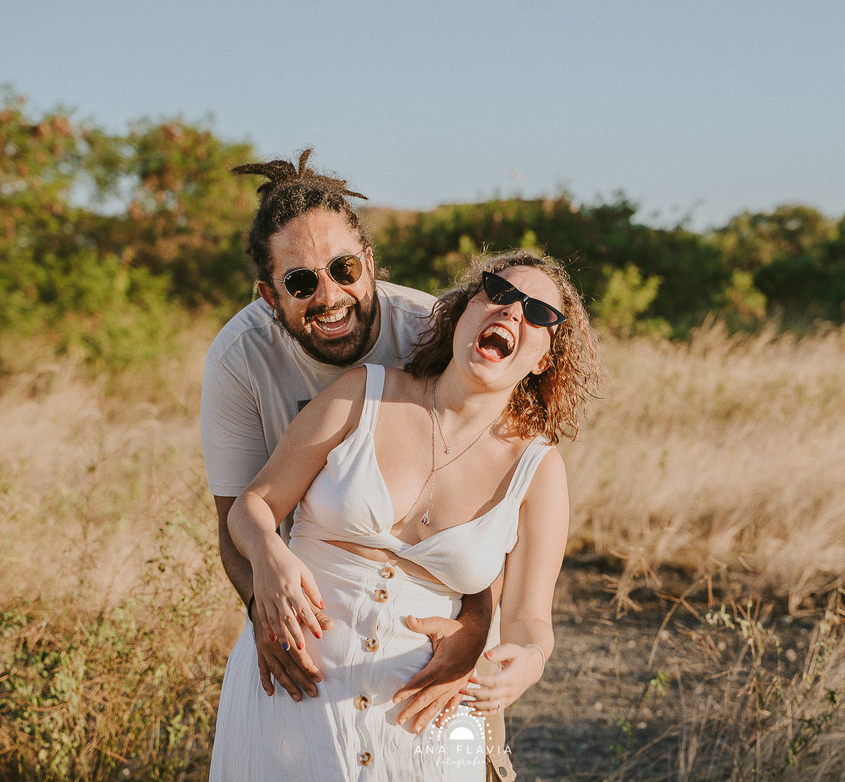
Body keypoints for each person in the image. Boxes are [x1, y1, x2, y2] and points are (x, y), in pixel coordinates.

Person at [210, 250, 602, 779]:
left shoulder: (539, 470)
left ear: (544, 359)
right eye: (500, 293)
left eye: (539, 314)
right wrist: (269, 558)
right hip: (294, 691)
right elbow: (252, 507)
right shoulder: (363, 394)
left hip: (428, 720)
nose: (513, 312)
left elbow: (530, 616)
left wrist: (530, 659)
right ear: (463, 311)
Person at [200, 150, 509, 774]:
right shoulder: (239, 360)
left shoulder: (433, 334)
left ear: (369, 262)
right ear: (268, 295)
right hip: (318, 644)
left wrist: (477, 628)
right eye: (301, 282)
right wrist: (270, 613)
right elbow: (239, 519)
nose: (330, 295)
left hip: (433, 633)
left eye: (344, 268)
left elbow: (492, 498)